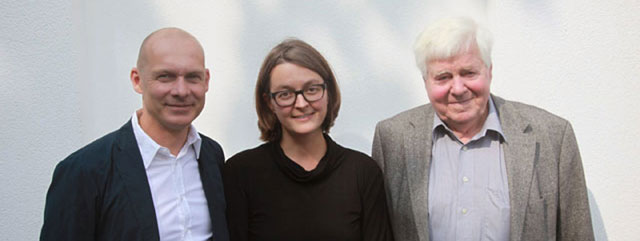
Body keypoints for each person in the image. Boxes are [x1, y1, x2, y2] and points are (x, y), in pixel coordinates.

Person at [372, 17, 594, 241]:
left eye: (469, 73)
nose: (458, 89)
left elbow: (577, 234)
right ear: (425, 81)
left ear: (489, 71)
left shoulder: (552, 136)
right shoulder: (392, 139)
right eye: (443, 77)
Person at [40, 28, 229, 241]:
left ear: (206, 81)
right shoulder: (84, 171)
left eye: (193, 77)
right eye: (165, 77)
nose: (181, 91)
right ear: (137, 80)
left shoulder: (211, 155)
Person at [223, 39, 394, 241]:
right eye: (285, 94)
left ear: (328, 92)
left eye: (312, 89)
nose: (301, 103)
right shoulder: (240, 173)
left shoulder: (362, 172)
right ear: (269, 102)